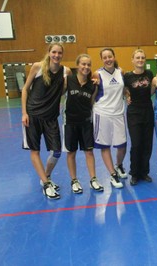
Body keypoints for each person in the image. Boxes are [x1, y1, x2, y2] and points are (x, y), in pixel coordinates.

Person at [21, 43, 72, 199]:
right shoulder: (37, 67)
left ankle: (46, 178)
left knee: (56, 151)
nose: (56, 55)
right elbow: (25, 89)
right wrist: (24, 113)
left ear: (62, 54)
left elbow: (64, 91)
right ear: (49, 53)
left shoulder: (66, 71)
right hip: (33, 115)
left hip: (51, 117)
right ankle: (46, 184)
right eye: (54, 52)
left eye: (59, 53)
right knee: (35, 150)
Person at [63, 54, 104, 193]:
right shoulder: (69, 80)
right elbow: (58, 94)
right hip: (70, 122)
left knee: (89, 152)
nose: (86, 67)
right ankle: (74, 181)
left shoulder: (93, 85)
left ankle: (93, 179)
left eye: (88, 64)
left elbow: (91, 102)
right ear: (78, 65)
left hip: (86, 122)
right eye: (83, 64)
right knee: (71, 153)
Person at [92, 48, 127, 189]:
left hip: (118, 113)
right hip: (102, 113)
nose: (108, 59)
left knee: (122, 145)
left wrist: (128, 95)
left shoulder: (121, 72)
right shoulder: (97, 74)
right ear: (102, 59)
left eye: (110, 56)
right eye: (104, 57)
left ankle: (118, 165)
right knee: (105, 146)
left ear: (114, 57)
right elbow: (93, 94)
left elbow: (123, 89)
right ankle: (112, 174)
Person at [124, 49, 154, 186]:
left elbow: (153, 87)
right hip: (134, 113)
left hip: (148, 111)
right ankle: (134, 173)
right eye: (137, 58)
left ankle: (144, 172)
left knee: (147, 143)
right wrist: (127, 96)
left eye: (142, 57)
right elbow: (123, 88)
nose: (140, 60)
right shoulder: (128, 76)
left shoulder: (149, 74)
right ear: (133, 60)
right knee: (136, 144)